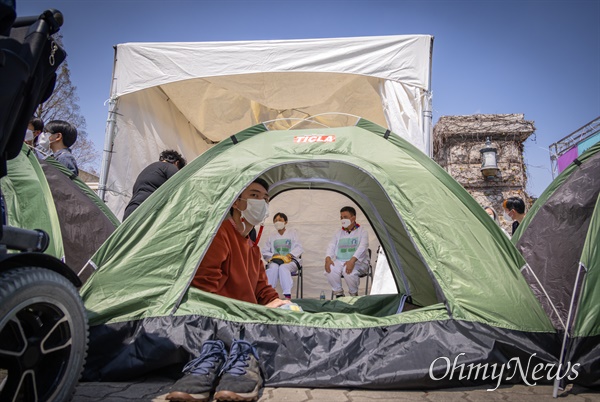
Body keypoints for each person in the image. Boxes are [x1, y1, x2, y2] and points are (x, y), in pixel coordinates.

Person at [167, 179, 290, 402]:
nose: (261, 202)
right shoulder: (220, 234)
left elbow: (262, 288)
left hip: (246, 323)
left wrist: (279, 303)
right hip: (220, 324)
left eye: (265, 198)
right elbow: (202, 291)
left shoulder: (252, 246)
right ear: (236, 201)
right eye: (254, 195)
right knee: (221, 342)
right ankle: (211, 361)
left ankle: (240, 359)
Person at [122, 150, 186, 220]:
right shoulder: (170, 167)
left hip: (130, 210)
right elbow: (181, 187)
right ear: (177, 163)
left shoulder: (150, 169)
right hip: (146, 211)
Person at [324, 206, 369, 298]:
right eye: (341, 217)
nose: (342, 219)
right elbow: (331, 246)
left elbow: (362, 247)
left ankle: (353, 295)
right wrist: (328, 258)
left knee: (348, 271)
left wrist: (352, 261)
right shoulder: (338, 232)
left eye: (345, 217)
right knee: (330, 269)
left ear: (353, 218)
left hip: (357, 262)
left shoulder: (362, 231)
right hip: (340, 260)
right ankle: (339, 294)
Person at [261, 212, 304, 300]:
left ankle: (287, 295)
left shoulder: (292, 233)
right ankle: (270, 294)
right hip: (276, 261)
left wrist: (290, 254)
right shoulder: (272, 236)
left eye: (280, 220)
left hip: (290, 261)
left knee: (283, 268)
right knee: (273, 268)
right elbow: (265, 251)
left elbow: (299, 247)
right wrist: (273, 254)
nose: (277, 222)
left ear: (286, 222)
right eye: (275, 221)